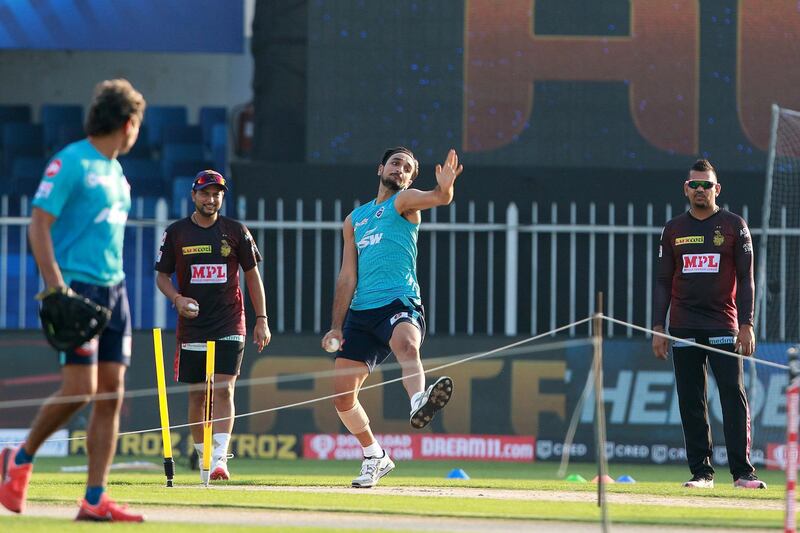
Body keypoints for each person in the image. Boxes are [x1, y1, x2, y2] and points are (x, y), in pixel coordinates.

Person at [0, 79, 146, 521]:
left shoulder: (117, 172)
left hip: (114, 291)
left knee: (111, 396)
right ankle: (18, 460)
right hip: (77, 288)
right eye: (138, 123)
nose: (138, 131)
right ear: (127, 122)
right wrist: (55, 286)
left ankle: (95, 499)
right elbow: (38, 224)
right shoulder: (71, 161)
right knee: (80, 391)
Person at [321, 147, 462, 488]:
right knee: (342, 396)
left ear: (411, 179)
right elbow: (346, 276)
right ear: (380, 167)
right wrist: (336, 327)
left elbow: (438, 198)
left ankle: (418, 401)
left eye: (408, 168)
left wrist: (445, 189)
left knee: (406, 344)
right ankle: (374, 456)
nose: (400, 170)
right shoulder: (354, 220)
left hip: (399, 300)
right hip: (361, 313)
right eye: (395, 163)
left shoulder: (403, 202)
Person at [652, 158, 764, 489]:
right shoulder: (673, 229)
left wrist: (748, 323)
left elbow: (746, 279)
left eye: (707, 185)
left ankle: (743, 472)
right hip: (684, 326)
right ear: (687, 189)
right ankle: (702, 473)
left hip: (723, 325)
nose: (701, 190)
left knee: (732, 394)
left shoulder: (734, 225)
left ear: (717, 189)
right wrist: (658, 327)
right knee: (690, 399)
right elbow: (661, 281)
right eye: (695, 185)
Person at [155, 169, 270, 482]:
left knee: (223, 388)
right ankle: (202, 454)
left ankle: (220, 458)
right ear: (194, 195)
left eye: (217, 193)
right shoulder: (177, 232)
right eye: (205, 193)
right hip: (192, 323)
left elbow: (252, 275)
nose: (211, 198)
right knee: (197, 396)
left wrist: (261, 319)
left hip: (230, 319)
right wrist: (177, 299)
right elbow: (162, 276)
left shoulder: (236, 230)